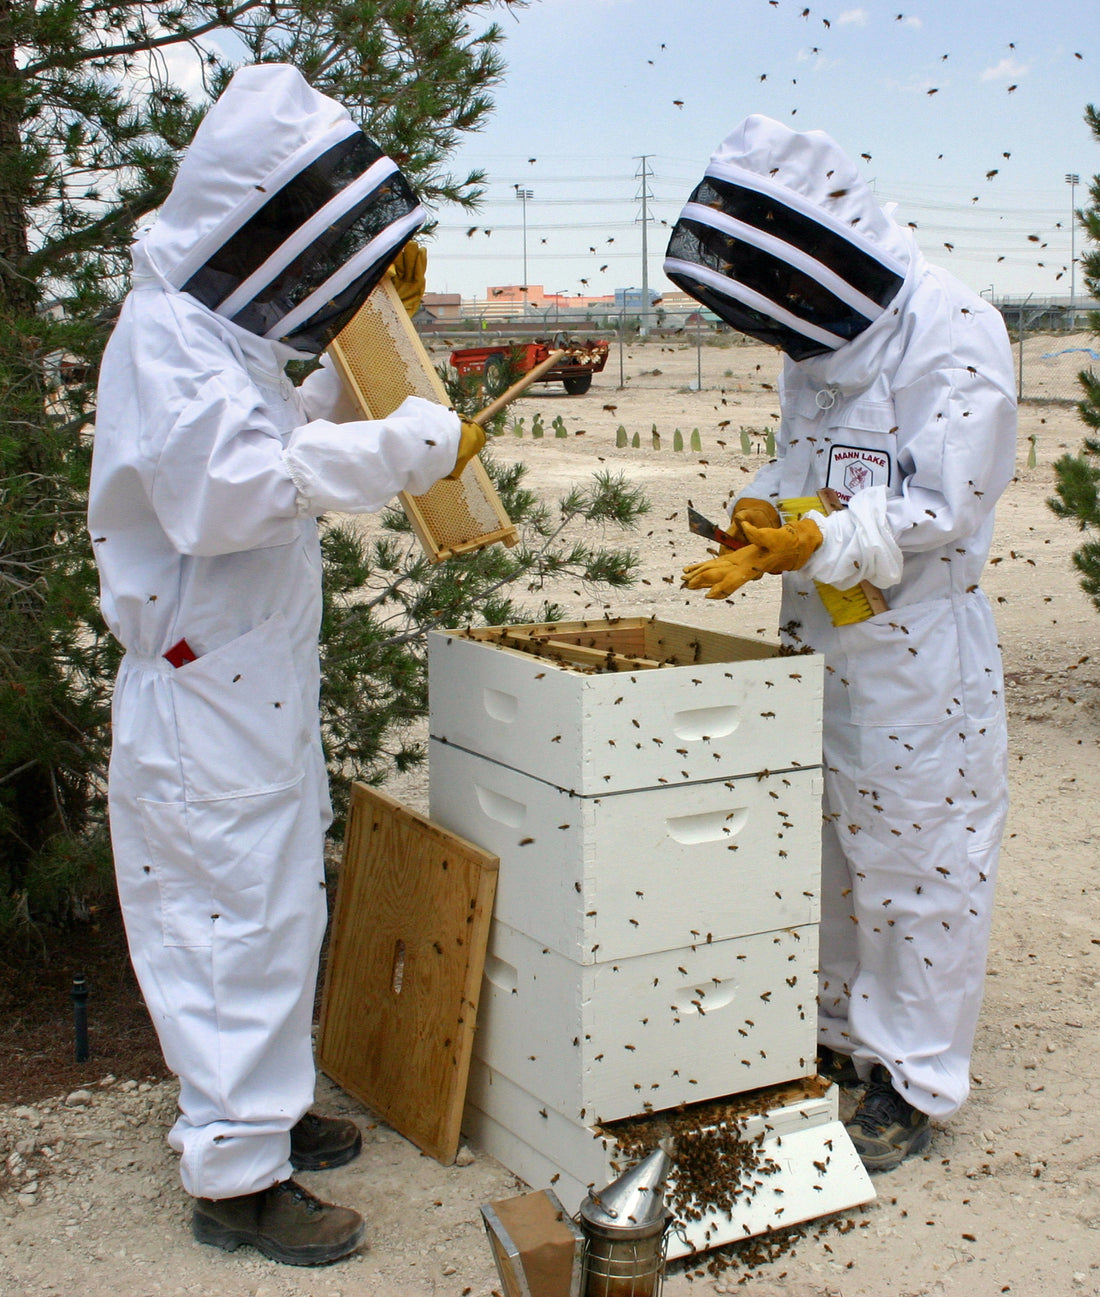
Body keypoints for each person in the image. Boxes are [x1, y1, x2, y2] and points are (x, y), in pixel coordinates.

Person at [88, 63, 484, 1264]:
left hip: (245, 687)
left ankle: (262, 1113)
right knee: (224, 928)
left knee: (273, 909)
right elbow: (230, 494)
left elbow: (269, 432)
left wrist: (351, 360)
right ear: (255, 225)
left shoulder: (211, 334)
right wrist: (398, 449)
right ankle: (234, 1184)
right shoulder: (164, 335)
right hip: (203, 697)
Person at [667, 115, 1016, 1173]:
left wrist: (815, 534)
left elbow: (941, 505)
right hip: (819, 633)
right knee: (818, 847)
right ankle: (832, 1037)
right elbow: (806, 467)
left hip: (916, 649)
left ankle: (910, 1077)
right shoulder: (819, 347)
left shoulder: (952, 326)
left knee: (916, 859)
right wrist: (761, 515)